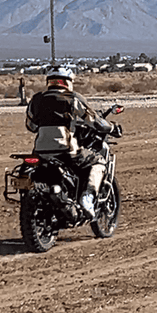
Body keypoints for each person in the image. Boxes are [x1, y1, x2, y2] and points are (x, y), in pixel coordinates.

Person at [25, 66, 118, 218]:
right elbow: (96, 122)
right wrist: (112, 127)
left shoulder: (36, 100)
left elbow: (31, 126)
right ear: (68, 82)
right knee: (98, 162)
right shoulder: (72, 98)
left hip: (40, 151)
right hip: (66, 151)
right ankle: (87, 198)